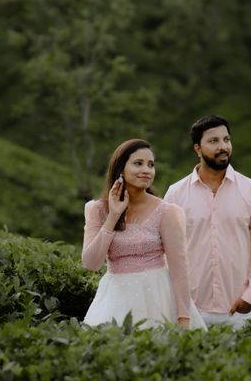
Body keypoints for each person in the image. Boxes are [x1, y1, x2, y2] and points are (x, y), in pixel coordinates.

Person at [82, 138, 206, 330]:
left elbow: (179, 269)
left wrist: (184, 317)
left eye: (151, 165)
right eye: (138, 163)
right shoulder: (97, 209)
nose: (147, 170)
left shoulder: (167, 212)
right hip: (115, 297)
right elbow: (91, 263)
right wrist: (113, 216)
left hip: (160, 298)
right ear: (120, 168)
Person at [164, 115, 251, 331]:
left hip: (236, 309)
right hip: (189, 307)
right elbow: (166, 251)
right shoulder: (176, 193)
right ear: (197, 148)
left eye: (226, 140)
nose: (222, 146)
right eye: (213, 141)